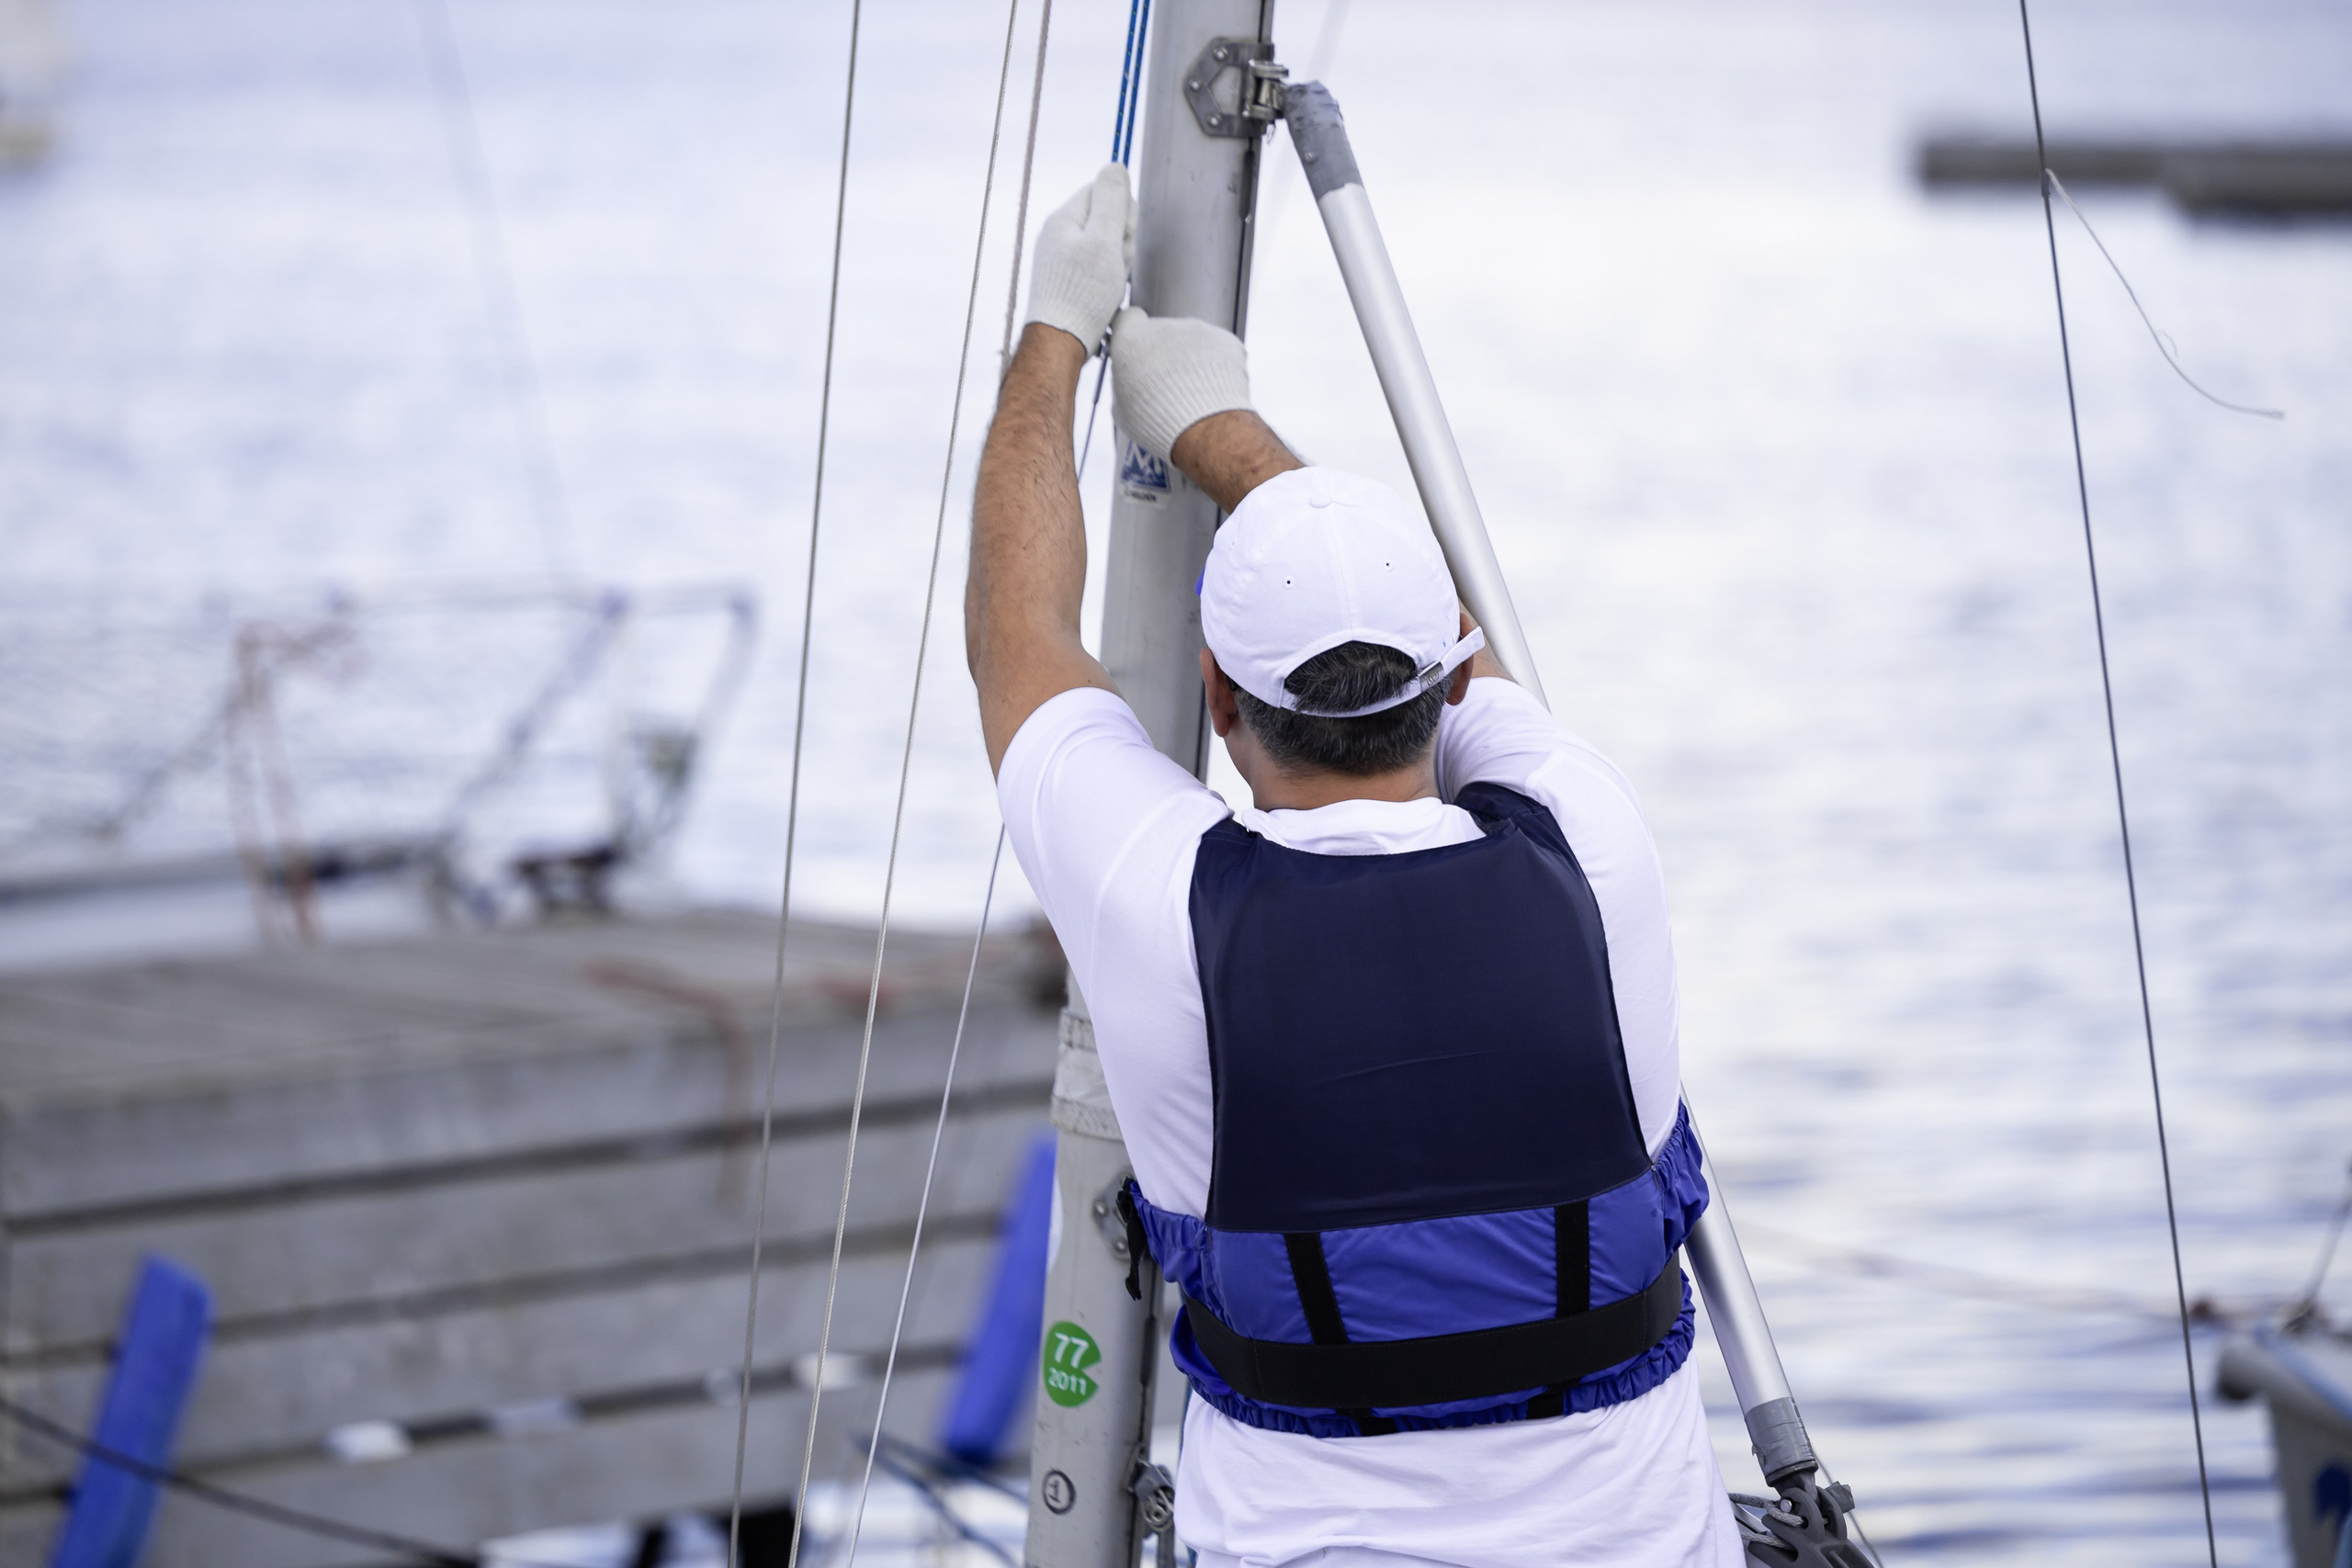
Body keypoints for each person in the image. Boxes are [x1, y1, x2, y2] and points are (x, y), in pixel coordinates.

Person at [967, 164, 1743, 1568]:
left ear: (1215, 698)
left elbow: (1019, 650)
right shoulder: (1594, 844)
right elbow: (1457, 656)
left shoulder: (1172, 914)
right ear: (1452, 688)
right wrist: (1228, 433)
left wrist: (1052, 339)